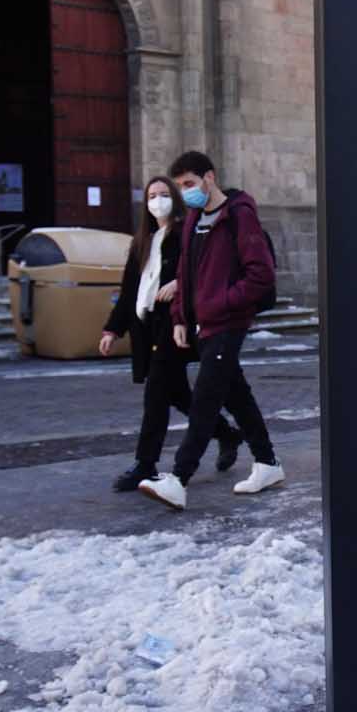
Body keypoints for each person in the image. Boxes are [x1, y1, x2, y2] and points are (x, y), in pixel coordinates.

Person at [137, 150, 284, 510]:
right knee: (237, 394)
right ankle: (267, 463)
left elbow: (261, 275)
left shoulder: (238, 215)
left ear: (209, 178)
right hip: (203, 325)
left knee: (205, 398)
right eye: (181, 186)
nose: (185, 192)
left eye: (189, 184)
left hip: (227, 322)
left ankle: (178, 478)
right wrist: (180, 318)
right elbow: (185, 274)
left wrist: (221, 302)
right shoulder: (191, 221)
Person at [100, 177, 242, 493]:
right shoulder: (142, 242)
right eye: (152, 195)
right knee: (177, 394)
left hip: (173, 325)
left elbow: (200, 270)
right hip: (146, 325)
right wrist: (113, 328)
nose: (158, 201)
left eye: (164, 194)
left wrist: (178, 285)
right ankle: (226, 433)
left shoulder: (184, 234)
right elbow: (129, 292)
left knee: (156, 397)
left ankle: (144, 463)